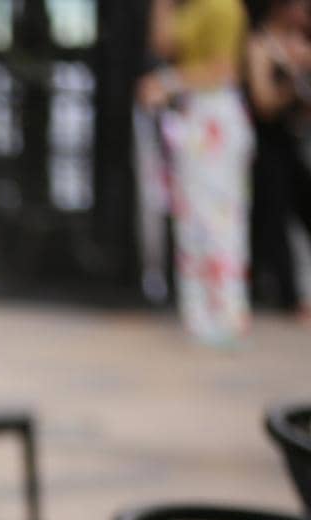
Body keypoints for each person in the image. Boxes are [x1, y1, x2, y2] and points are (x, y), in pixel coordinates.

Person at [140, 0, 255, 344]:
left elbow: (225, 70)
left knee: (219, 219)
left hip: (215, 116)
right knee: (190, 218)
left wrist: (168, 81)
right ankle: (199, 314)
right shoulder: (189, 8)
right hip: (191, 117)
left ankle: (227, 314)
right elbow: (163, 44)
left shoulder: (224, 7)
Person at [246, 0, 311, 317]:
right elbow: (264, 102)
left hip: (296, 142)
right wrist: (293, 77)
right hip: (269, 145)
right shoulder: (260, 45)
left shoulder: (300, 44)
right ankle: (290, 298)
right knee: (274, 219)